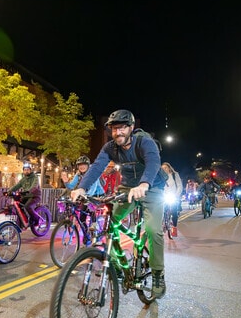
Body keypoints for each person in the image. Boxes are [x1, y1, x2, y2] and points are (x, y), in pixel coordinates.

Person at [69, 109, 168, 298]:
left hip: (152, 186)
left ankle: (157, 273)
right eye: (114, 129)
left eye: (122, 128)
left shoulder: (144, 141)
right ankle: (113, 261)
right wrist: (81, 188)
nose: (118, 133)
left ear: (131, 128)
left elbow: (154, 162)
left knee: (153, 229)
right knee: (110, 221)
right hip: (127, 187)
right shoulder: (110, 148)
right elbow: (97, 166)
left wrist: (145, 184)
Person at [61, 155, 105, 245]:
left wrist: (84, 195)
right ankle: (86, 235)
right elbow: (71, 186)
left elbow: (93, 187)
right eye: (80, 165)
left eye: (84, 164)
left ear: (88, 165)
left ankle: (95, 230)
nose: (82, 166)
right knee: (82, 217)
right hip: (85, 195)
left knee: (91, 209)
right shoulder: (78, 175)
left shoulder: (93, 173)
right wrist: (66, 182)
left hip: (96, 195)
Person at [161, 162, 182, 236]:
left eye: (165, 168)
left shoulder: (174, 175)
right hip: (163, 196)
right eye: (162, 168)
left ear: (169, 168)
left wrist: (176, 195)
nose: (164, 169)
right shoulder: (160, 176)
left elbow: (179, 186)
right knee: (161, 210)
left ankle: (174, 227)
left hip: (173, 196)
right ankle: (163, 224)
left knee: (174, 212)